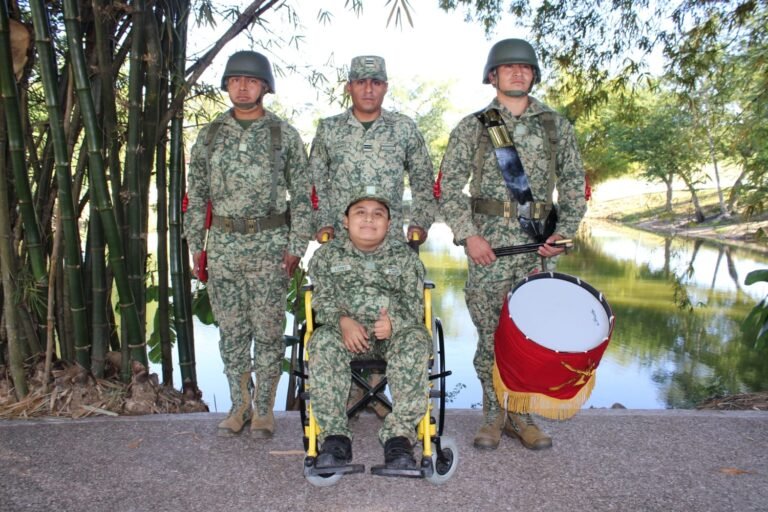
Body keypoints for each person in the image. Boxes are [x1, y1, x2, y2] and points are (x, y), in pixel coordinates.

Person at [438, 39, 587, 450]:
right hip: (488, 251)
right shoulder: (474, 126)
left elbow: (576, 187)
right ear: (493, 76)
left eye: (525, 67)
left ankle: (522, 416)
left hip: (538, 250)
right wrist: (468, 235)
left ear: (534, 75)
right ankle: (492, 415)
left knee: (531, 337)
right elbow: (448, 188)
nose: (518, 73)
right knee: (489, 336)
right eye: (508, 68)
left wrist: (564, 234)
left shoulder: (556, 126)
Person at [185, 51, 312, 439]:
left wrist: (296, 245)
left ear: (264, 87)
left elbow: (303, 197)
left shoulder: (283, 135)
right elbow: (197, 194)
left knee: (270, 331)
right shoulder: (210, 135)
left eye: (251, 80)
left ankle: (264, 410)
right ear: (226, 85)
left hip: (271, 246)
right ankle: (239, 405)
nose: (242, 86)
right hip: (223, 245)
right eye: (235, 79)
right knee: (233, 332)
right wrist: (196, 245)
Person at [307, 188, 431, 470]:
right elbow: (320, 299)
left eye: (378, 214)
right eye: (360, 213)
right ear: (346, 221)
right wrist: (342, 320)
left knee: (415, 340)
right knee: (322, 341)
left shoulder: (405, 258)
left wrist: (394, 322)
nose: (369, 220)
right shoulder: (327, 257)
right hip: (344, 334)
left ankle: (398, 440)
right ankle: (335, 439)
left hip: (391, 336)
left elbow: (414, 305)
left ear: (389, 224)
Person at [309, 55, 436, 244]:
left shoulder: (403, 127)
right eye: (361, 82)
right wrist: (323, 222)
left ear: (385, 87)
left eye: (376, 82)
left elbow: (423, 180)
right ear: (349, 87)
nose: (368, 90)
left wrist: (419, 222)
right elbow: (314, 181)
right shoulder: (329, 128)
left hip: (390, 242)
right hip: (340, 242)